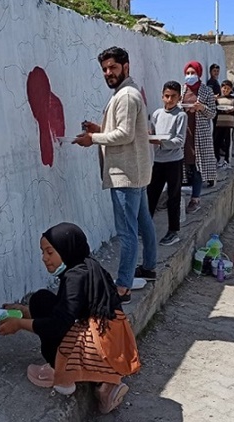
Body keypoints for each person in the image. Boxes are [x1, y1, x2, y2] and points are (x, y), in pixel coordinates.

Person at [0, 223, 141, 414]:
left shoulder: (74, 278)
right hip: (115, 341)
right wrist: (23, 311)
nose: (44, 258)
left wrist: (19, 324)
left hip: (100, 346)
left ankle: (70, 375)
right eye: (42, 252)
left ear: (65, 250)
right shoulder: (88, 266)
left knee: (51, 326)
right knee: (42, 300)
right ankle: (103, 376)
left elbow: (58, 324)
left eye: (49, 252)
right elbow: (66, 309)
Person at [73, 46, 158, 304]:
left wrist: (93, 138)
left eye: (113, 67)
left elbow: (124, 135)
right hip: (136, 172)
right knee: (143, 222)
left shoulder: (127, 96)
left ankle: (122, 288)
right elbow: (124, 129)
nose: (108, 73)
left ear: (126, 66)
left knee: (127, 232)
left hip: (125, 174)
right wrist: (99, 129)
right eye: (105, 69)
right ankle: (150, 267)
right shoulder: (126, 94)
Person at [146, 81, 187, 246]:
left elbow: (180, 140)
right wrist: (150, 136)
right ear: (162, 95)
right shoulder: (156, 114)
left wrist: (161, 142)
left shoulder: (180, 116)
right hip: (158, 161)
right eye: (167, 96)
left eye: (173, 97)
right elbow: (153, 133)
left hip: (174, 161)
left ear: (179, 98)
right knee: (151, 194)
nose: (169, 100)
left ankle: (173, 230)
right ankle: (145, 226)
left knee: (173, 197)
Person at [180, 61, 217, 213]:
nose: (189, 76)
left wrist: (201, 107)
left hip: (199, 133)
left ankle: (195, 199)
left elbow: (212, 113)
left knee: (198, 166)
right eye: (187, 73)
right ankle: (179, 197)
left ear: (199, 74)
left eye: (192, 73)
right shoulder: (182, 90)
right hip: (184, 132)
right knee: (184, 165)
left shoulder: (206, 91)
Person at [214, 80, 234, 167]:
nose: (226, 90)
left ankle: (227, 161)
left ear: (231, 89)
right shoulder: (218, 99)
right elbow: (214, 109)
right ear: (221, 88)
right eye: (224, 88)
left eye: (228, 89)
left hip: (229, 124)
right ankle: (216, 159)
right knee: (217, 141)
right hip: (219, 123)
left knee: (228, 142)